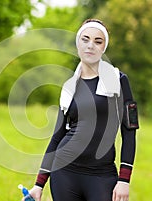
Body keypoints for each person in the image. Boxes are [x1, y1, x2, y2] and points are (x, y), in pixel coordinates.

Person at [22, 19, 139, 201]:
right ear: (78, 44)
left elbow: (130, 132)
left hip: (102, 174)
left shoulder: (119, 80)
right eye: (85, 39)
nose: (90, 45)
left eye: (97, 41)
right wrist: (38, 185)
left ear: (104, 47)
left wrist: (124, 180)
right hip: (64, 172)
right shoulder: (69, 87)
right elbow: (57, 137)